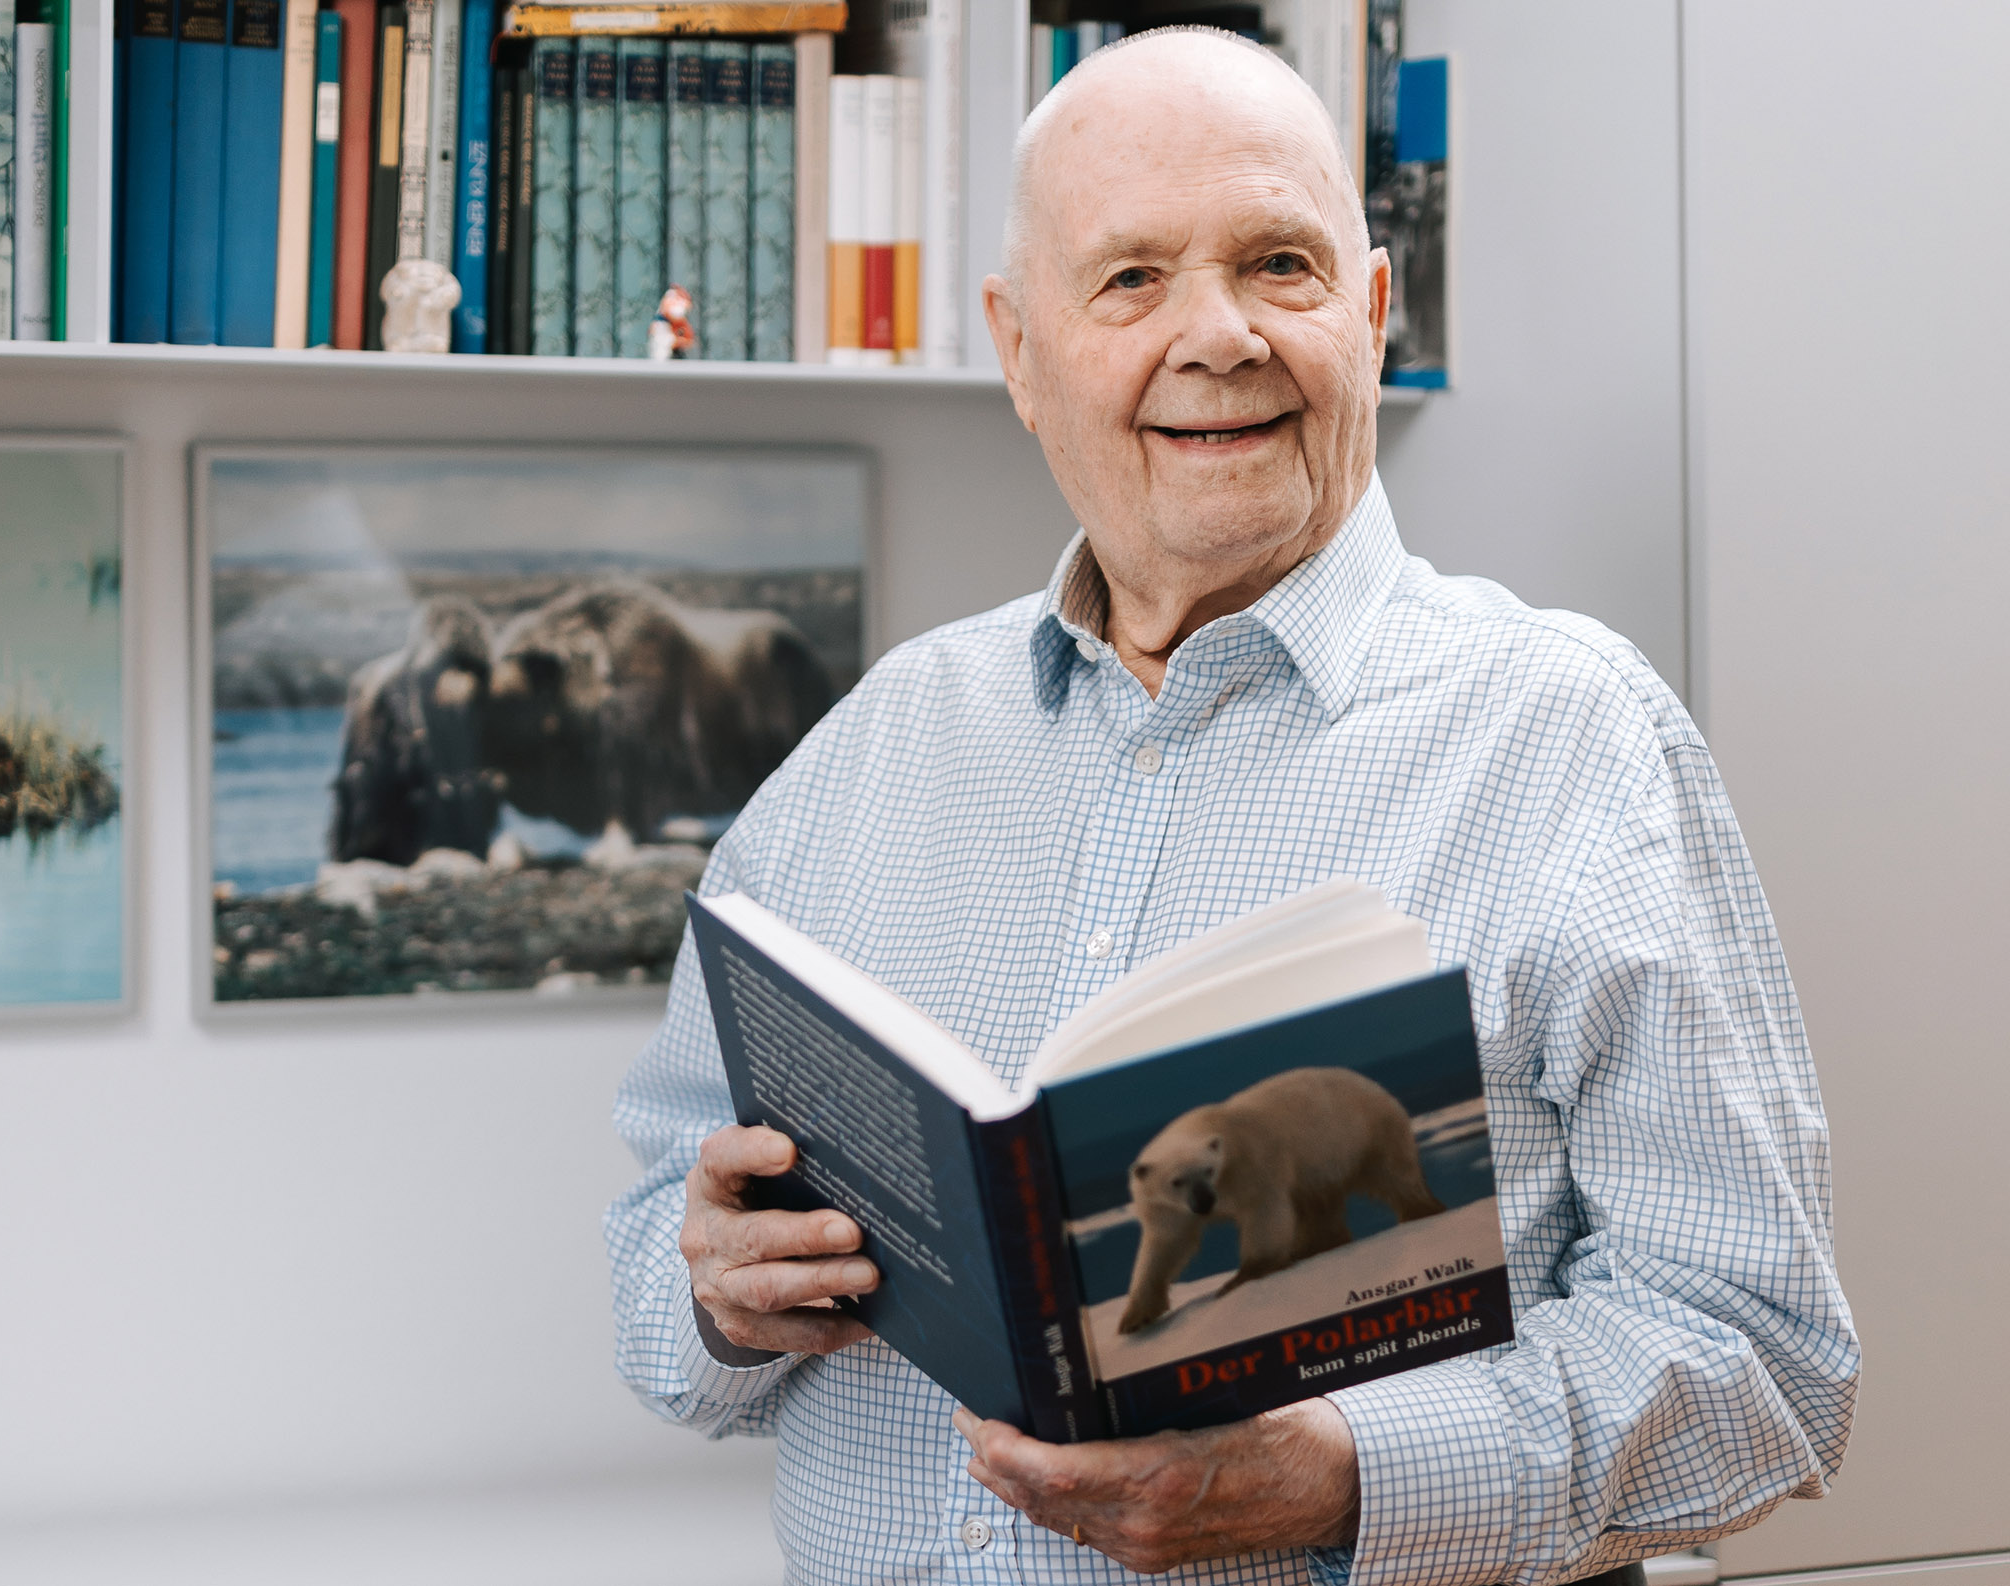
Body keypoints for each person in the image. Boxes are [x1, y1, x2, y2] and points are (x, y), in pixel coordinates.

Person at [605, 27, 1857, 1585]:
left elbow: (1770, 1361)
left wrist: (1343, 1478)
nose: (1219, 337)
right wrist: (717, 1288)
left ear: (1375, 311)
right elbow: (659, 1273)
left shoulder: (1573, 738)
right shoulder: (865, 754)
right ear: (1019, 347)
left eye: (1279, 264)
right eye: (1129, 279)